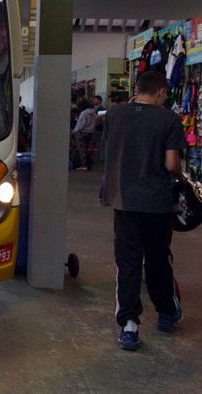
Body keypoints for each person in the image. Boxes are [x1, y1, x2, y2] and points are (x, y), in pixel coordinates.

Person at [101, 70, 189, 351]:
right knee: (158, 259)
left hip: (123, 201)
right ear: (162, 92)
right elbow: (171, 164)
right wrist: (185, 180)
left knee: (127, 263)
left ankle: (129, 325)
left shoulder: (114, 114)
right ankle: (165, 313)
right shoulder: (168, 120)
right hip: (156, 204)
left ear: (138, 89)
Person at [72, 98, 97, 170]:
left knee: (81, 150)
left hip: (81, 133)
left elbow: (80, 124)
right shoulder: (93, 112)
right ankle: (89, 164)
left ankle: (83, 165)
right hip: (91, 132)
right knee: (88, 150)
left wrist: (74, 131)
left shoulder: (84, 113)